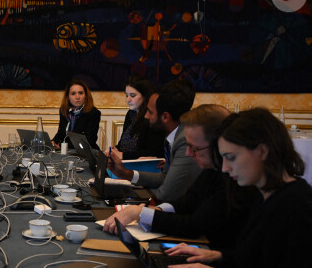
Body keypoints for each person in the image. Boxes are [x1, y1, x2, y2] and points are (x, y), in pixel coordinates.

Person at [167, 108, 312, 268]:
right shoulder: (264, 194)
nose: (224, 168)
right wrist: (216, 256)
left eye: (231, 157)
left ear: (262, 151)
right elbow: (257, 261)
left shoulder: (297, 206)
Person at [103, 104, 253, 250]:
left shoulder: (232, 178)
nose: (188, 153)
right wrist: (155, 210)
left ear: (217, 146)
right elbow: (187, 202)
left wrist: (141, 214)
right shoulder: (211, 170)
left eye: (194, 148)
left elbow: (194, 225)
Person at [106, 79, 201, 203]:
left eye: (150, 112)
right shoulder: (173, 136)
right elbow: (164, 178)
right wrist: (125, 173)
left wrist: (139, 209)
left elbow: (166, 194)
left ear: (165, 117)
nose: (145, 116)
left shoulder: (184, 140)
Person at [116, 75, 164, 159]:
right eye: (127, 95)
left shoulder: (152, 116)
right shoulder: (130, 113)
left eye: (133, 95)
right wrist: (114, 149)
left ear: (145, 96)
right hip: (126, 163)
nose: (128, 99)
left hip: (143, 167)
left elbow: (153, 153)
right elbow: (123, 144)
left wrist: (122, 155)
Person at [51, 79, 101, 150]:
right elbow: (61, 133)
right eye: (73, 94)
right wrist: (53, 142)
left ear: (86, 95)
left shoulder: (93, 113)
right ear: (68, 97)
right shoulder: (63, 110)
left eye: (80, 93)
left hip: (85, 153)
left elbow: (89, 140)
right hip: (66, 152)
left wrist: (63, 147)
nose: (77, 97)